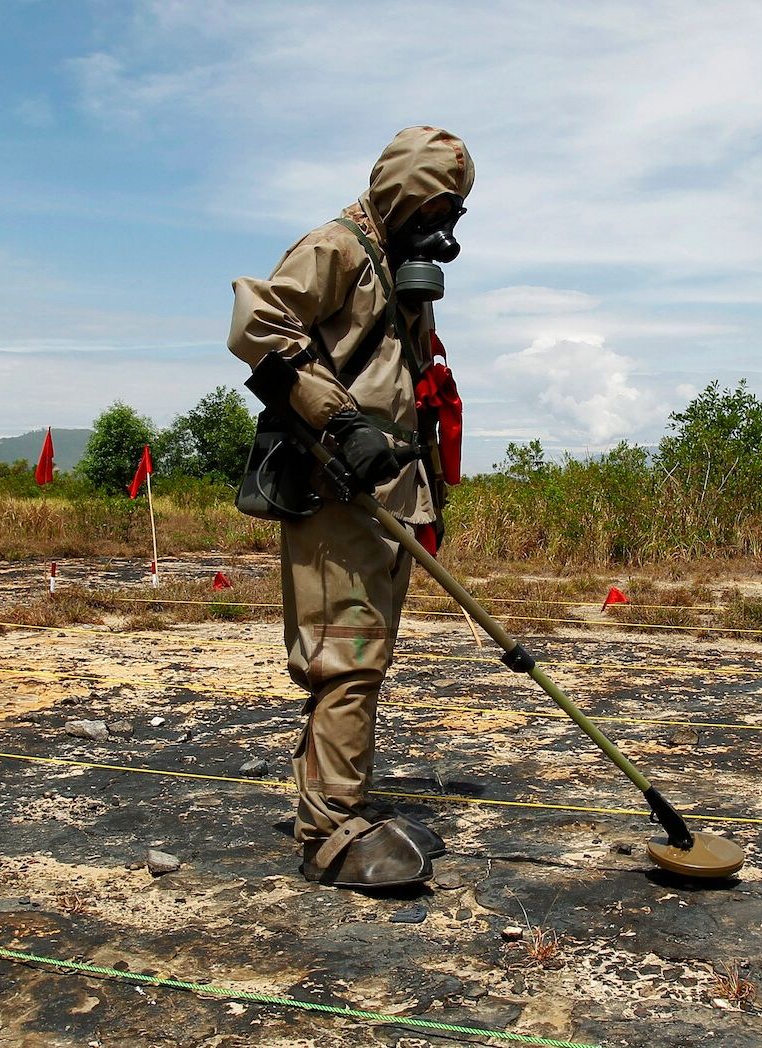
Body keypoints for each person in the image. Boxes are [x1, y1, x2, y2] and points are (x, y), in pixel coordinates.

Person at [227, 126, 473, 889]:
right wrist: (338, 420)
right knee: (350, 657)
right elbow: (255, 325)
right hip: (337, 483)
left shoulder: (397, 266)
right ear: (402, 191)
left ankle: (346, 800)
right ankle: (329, 833)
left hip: (389, 490)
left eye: (456, 214)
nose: (446, 230)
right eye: (436, 207)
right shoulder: (336, 247)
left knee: (369, 656)